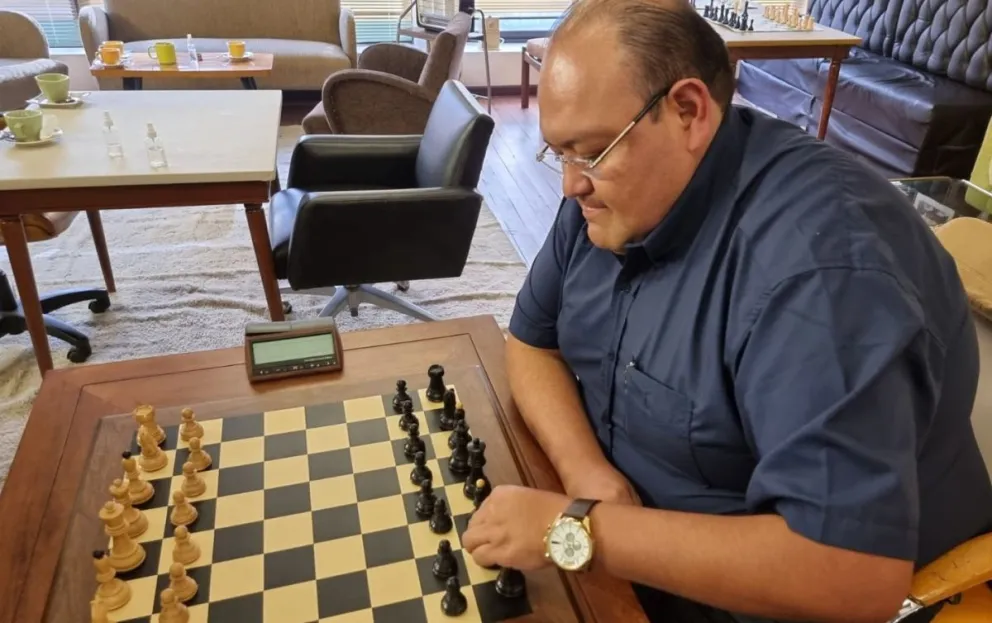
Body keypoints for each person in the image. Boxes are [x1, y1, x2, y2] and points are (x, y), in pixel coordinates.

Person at [459, 0, 992, 621]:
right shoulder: (608, 194)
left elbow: (848, 577)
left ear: (688, 112)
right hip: (629, 553)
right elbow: (530, 341)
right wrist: (589, 483)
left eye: (592, 152)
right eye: (561, 153)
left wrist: (572, 532)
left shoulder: (820, 271)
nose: (571, 183)